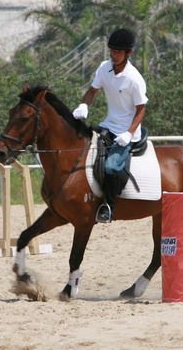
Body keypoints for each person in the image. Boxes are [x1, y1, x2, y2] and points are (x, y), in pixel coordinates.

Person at [72, 28, 148, 223]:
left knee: (112, 167)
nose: (114, 55)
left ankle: (109, 207)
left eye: (118, 52)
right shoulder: (104, 68)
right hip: (108, 125)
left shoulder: (134, 79)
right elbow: (92, 91)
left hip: (126, 133)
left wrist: (129, 133)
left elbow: (141, 110)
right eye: (112, 51)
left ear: (128, 53)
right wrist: (84, 104)